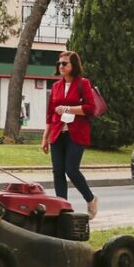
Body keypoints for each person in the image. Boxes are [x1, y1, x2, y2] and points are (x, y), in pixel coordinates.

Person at [41, 51, 98, 219]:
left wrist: (67, 109)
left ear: (74, 65)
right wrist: (45, 138)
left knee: (71, 170)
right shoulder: (56, 86)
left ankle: (91, 199)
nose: (61, 66)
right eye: (59, 63)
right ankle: (63, 208)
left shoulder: (83, 83)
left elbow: (91, 108)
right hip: (58, 133)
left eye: (64, 63)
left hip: (77, 133)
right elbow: (50, 114)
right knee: (58, 171)